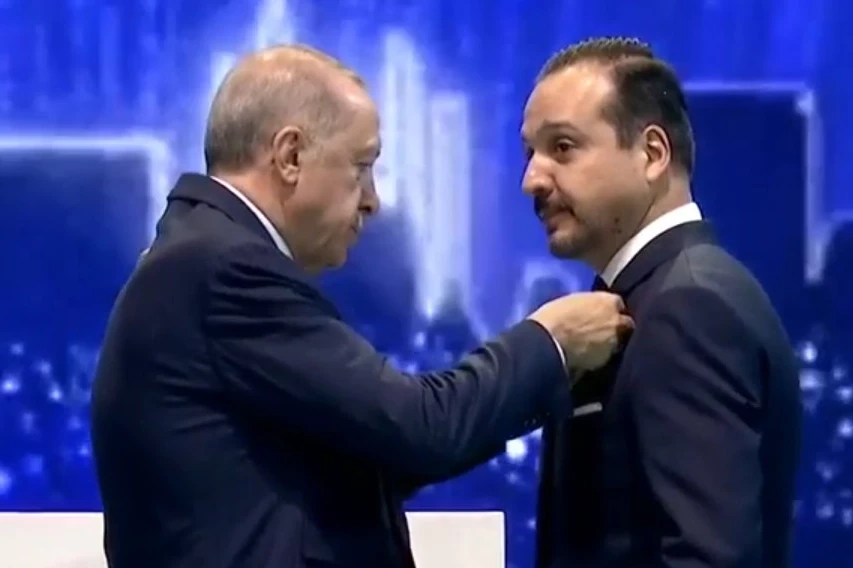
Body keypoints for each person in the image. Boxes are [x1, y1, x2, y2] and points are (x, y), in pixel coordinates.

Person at [90, 45, 633, 568]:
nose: (373, 200)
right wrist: (550, 342)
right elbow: (417, 428)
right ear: (291, 156)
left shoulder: (200, 261)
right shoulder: (223, 269)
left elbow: (372, 453)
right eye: (361, 166)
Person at [522, 37, 802, 568]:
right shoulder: (658, 294)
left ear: (652, 154)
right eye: (529, 154)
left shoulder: (689, 307)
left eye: (562, 147)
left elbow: (706, 556)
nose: (531, 180)